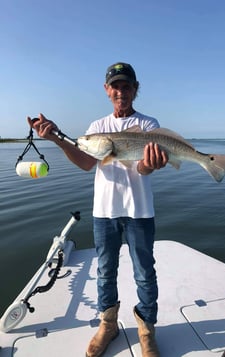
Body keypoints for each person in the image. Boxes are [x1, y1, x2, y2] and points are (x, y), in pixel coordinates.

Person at [28, 62, 168, 357]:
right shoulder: (96, 129)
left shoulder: (148, 125)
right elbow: (86, 161)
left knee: (145, 273)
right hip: (104, 213)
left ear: (135, 89)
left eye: (126, 86)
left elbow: (143, 168)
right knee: (105, 271)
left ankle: (146, 329)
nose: (121, 92)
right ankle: (108, 324)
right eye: (115, 86)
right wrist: (56, 138)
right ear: (107, 91)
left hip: (139, 212)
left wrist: (149, 164)